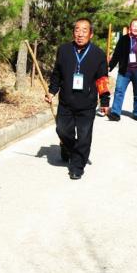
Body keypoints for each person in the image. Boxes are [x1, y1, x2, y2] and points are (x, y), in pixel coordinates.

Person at [44, 19, 110, 179]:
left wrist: (105, 101)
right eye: (77, 30)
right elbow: (57, 74)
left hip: (87, 103)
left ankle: (77, 166)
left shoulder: (98, 54)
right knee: (61, 130)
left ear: (91, 34)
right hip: (66, 101)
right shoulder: (64, 50)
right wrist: (52, 91)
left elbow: (102, 79)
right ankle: (69, 148)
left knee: (84, 136)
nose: (80, 34)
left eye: (84, 30)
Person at [106, 19, 137, 122]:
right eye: (134, 26)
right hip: (124, 70)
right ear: (130, 27)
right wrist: (110, 66)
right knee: (119, 91)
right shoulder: (123, 40)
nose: (135, 28)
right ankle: (115, 113)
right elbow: (116, 54)